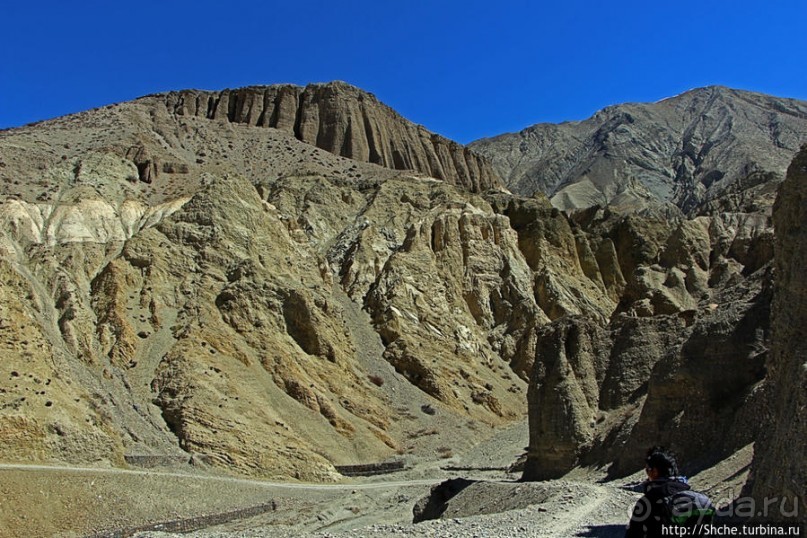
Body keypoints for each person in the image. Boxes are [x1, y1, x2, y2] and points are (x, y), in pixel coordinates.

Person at [625, 447, 711, 538]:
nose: (647, 474)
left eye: (647, 469)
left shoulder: (648, 501)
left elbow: (633, 534)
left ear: (655, 471)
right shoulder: (695, 497)